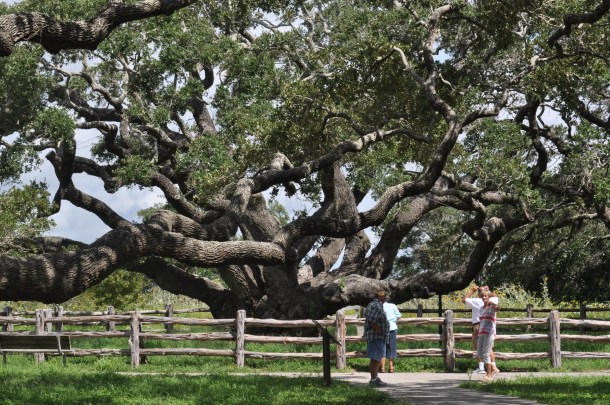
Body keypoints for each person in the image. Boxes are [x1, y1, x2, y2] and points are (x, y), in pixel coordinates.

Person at [463, 285, 500, 374]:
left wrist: (472, 290)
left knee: (479, 347)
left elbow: (464, 300)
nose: (484, 297)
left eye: (485, 295)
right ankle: (493, 366)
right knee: (488, 348)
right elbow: (495, 299)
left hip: (479, 326)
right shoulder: (493, 299)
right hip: (489, 326)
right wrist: (489, 290)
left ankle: (482, 367)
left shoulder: (476, 301)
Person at [364, 289, 389, 387]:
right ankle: (373, 379)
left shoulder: (375, 305)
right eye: (383, 296)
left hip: (378, 336)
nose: (384, 298)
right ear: (380, 297)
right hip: (376, 336)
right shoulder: (376, 305)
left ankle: (374, 378)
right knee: (375, 358)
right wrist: (379, 330)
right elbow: (371, 320)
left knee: (377, 358)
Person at [477, 289, 499, 382]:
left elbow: (497, 308)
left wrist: (493, 303)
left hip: (489, 332)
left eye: (486, 296)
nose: (484, 297)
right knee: (479, 354)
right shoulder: (481, 308)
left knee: (486, 353)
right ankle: (493, 369)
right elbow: (481, 320)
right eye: (482, 296)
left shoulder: (491, 307)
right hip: (481, 332)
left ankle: (489, 374)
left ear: (489, 297)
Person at [379, 296, 401, 373]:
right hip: (392, 327)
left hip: (382, 328)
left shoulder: (378, 307)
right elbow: (399, 316)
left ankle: (382, 368)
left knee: (382, 346)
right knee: (391, 347)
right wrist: (393, 320)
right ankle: (391, 367)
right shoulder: (392, 305)